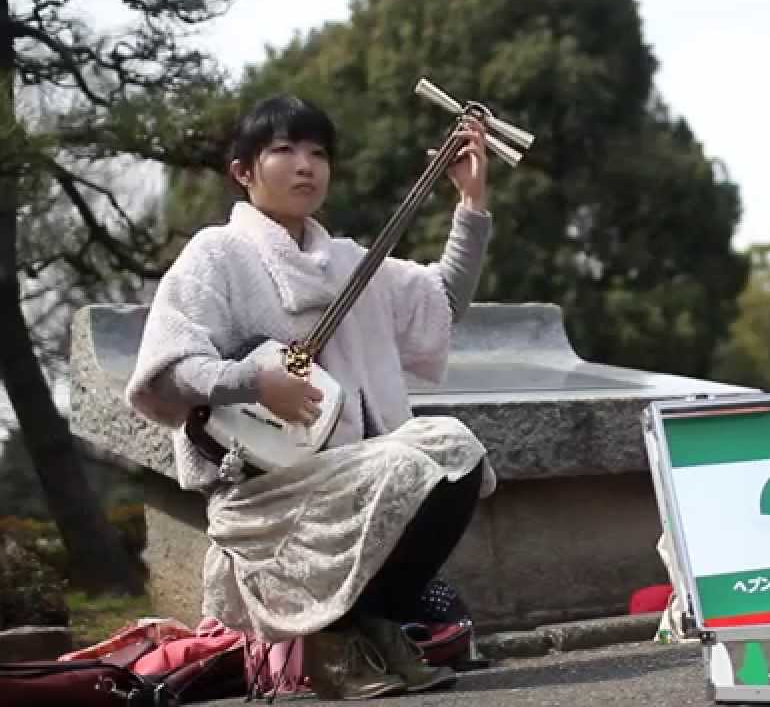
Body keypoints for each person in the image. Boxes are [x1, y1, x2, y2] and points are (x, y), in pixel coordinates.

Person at [125, 94, 498, 700]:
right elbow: (166, 371)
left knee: (458, 450)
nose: (306, 165)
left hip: (358, 469)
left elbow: (442, 306)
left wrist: (472, 205)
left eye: (318, 153)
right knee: (412, 460)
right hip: (266, 487)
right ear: (243, 171)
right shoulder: (215, 256)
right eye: (284, 150)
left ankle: (373, 623)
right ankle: (330, 641)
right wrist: (254, 381)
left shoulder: (351, 261)